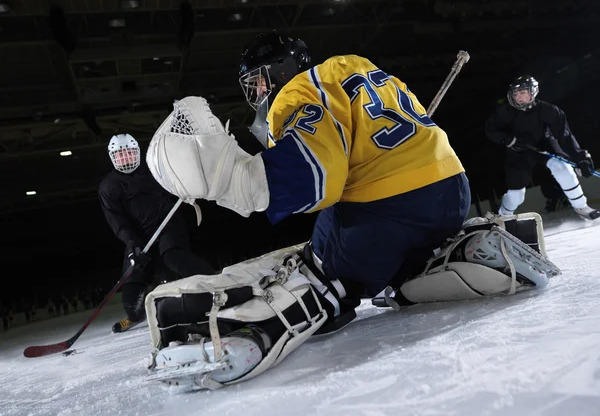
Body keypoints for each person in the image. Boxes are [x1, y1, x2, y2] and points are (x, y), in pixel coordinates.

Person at [141, 33, 562, 392]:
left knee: (320, 270)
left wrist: (231, 180)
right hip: (450, 188)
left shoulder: (296, 92)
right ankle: (465, 253)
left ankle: (252, 331)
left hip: (386, 205)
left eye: (255, 83)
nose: (255, 96)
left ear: (278, 72)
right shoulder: (355, 67)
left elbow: (316, 178)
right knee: (399, 270)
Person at [98, 133, 214, 333]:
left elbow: (177, 182)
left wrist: (186, 186)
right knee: (131, 290)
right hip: (139, 237)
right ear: (113, 158)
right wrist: (133, 245)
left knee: (174, 258)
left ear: (137, 153)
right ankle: (136, 316)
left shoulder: (154, 168)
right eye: (120, 155)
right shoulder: (108, 187)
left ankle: (215, 283)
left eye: (129, 153)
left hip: (168, 224)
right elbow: (117, 222)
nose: (125, 159)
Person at [485, 75, 599, 220]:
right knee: (516, 195)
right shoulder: (505, 112)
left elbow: (565, 136)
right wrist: (509, 140)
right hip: (518, 150)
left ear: (532, 92)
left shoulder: (549, 111)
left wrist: (580, 157)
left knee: (562, 169)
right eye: (515, 94)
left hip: (545, 145)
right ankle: (502, 216)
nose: (518, 97)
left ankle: (581, 206)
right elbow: (490, 130)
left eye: (522, 93)